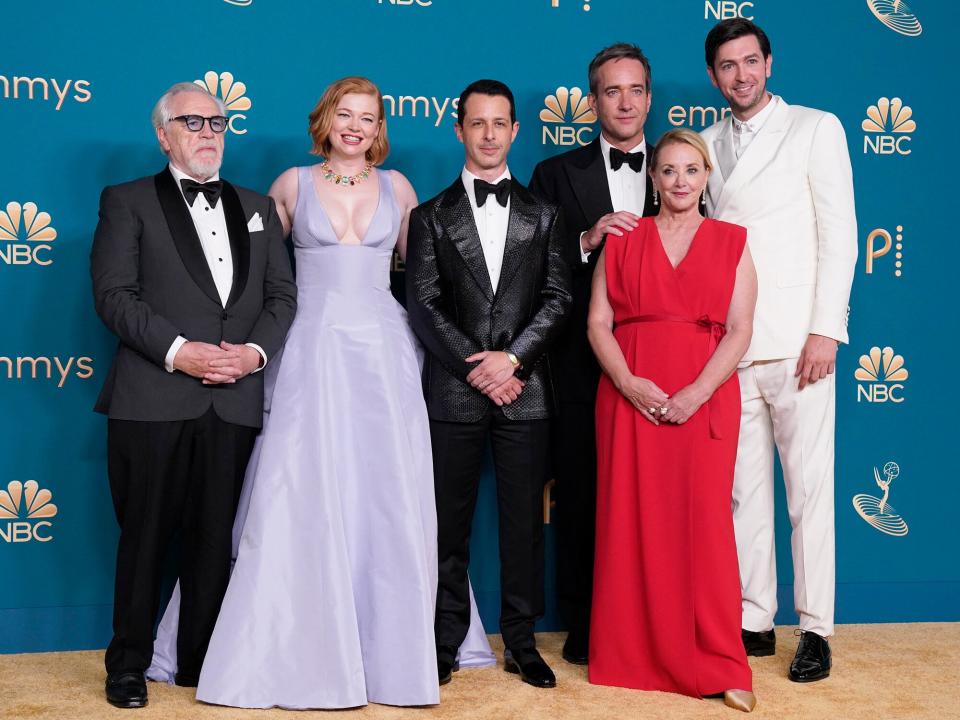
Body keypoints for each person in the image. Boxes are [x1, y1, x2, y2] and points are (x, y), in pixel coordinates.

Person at [140, 76, 492, 710]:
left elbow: (426, 280)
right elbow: (250, 279)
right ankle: (288, 644)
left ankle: (392, 651)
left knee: (386, 491)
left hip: (384, 353)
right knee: (296, 488)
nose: (356, 126)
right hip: (309, 349)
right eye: (345, 114)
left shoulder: (401, 188)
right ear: (325, 119)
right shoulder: (289, 186)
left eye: (369, 116)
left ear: (380, 125)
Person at [90, 82, 297, 709]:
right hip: (153, 398)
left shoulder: (258, 206)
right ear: (163, 134)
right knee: (145, 536)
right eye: (192, 122)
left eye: (218, 122)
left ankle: (201, 662)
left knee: (215, 540)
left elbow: (283, 297)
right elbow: (114, 296)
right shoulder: (126, 201)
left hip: (233, 400)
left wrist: (254, 354)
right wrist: (182, 351)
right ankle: (127, 665)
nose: (208, 132)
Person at [701, 18, 857, 682]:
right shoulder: (704, 144)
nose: (741, 75)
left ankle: (815, 627)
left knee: (809, 492)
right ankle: (754, 618)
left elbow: (840, 233)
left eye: (750, 62)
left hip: (798, 342)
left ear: (770, 63)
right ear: (714, 77)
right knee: (743, 493)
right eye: (728, 67)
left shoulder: (816, 128)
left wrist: (827, 328)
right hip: (731, 343)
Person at [406, 79, 572, 690]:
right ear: (458, 129)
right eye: (477, 123)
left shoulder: (545, 214)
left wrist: (515, 362)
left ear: (515, 131)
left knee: (524, 524)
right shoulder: (428, 216)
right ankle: (444, 640)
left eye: (500, 123)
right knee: (447, 524)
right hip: (454, 391)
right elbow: (422, 304)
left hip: (525, 394)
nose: (489, 135)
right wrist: (478, 366)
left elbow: (558, 298)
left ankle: (523, 643)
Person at [587, 129, 758, 712]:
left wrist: (696, 393)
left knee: (705, 530)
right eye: (668, 170)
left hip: (704, 399)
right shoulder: (623, 239)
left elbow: (739, 330)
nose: (680, 181)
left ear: (706, 176)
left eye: (692, 170)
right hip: (630, 396)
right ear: (652, 178)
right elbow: (598, 324)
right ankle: (631, 655)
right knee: (630, 524)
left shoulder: (732, 241)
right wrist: (629, 383)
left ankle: (719, 660)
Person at [529, 42, 657, 665]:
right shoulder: (555, 174)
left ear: (650, 98)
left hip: (666, 360)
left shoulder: (681, 164)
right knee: (582, 493)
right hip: (581, 361)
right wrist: (587, 237)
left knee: (657, 498)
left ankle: (654, 622)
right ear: (593, 100)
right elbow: (529, 267)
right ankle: (584, 624)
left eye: (635, 90)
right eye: (612, 91)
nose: (625, 102)